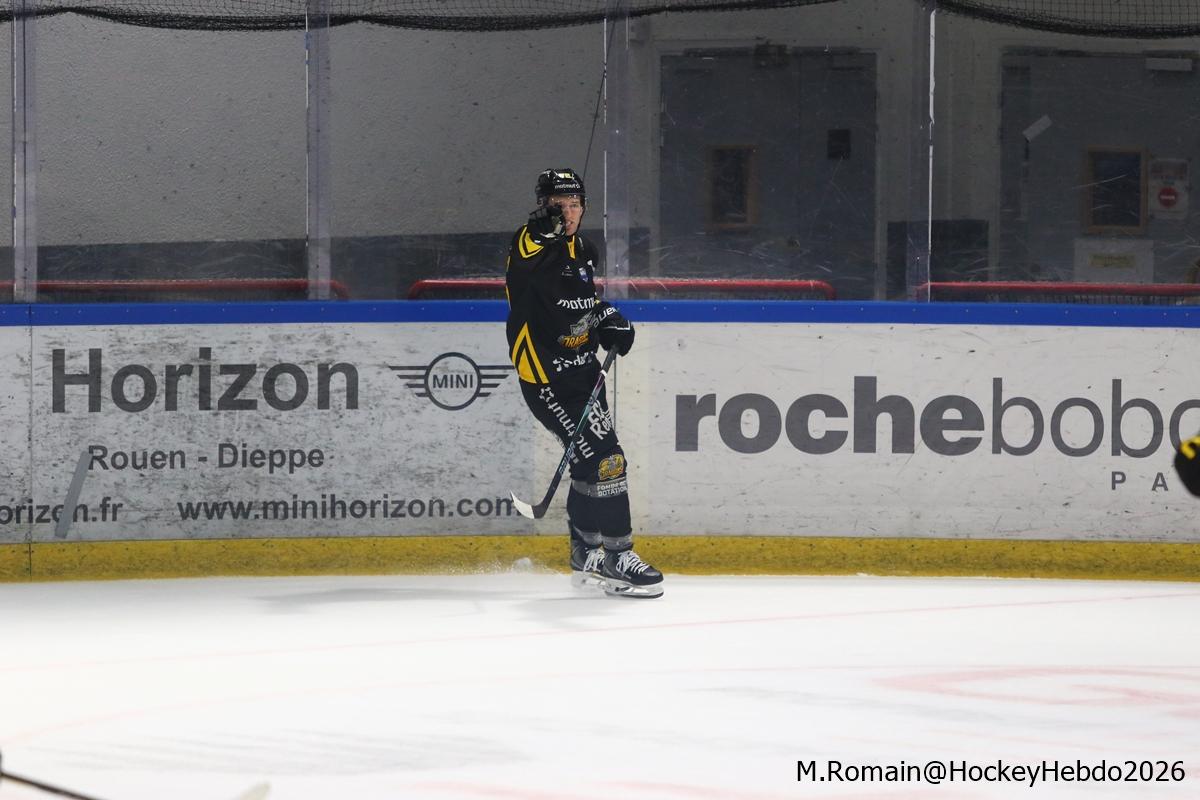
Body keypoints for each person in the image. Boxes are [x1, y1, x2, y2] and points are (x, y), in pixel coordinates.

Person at [504, 168, 663, 598]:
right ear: (543, 206)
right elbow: (528, 248)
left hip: (585, 373)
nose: (569, 213)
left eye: (575, 204)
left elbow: (583, 304)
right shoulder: (528, 245)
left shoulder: (585, 249)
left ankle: (585, 551)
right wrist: (542, 230)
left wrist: (608, 318)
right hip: (547, 379)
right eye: (559, 205)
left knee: (588, 463)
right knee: (608, 459)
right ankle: (618, 556)